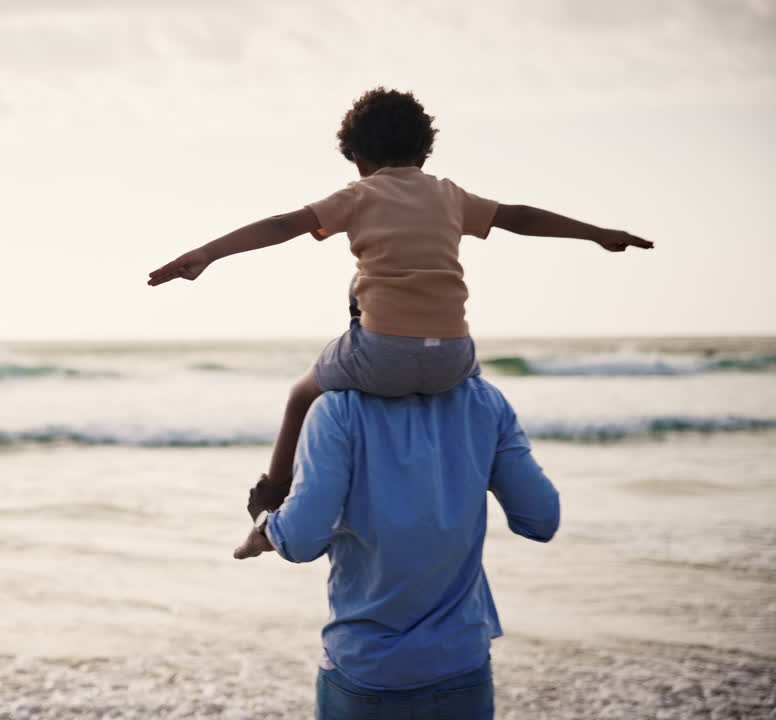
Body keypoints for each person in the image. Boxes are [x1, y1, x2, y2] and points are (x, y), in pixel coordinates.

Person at [145, 87, 650, 559]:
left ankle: (268, 512)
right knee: (477, 400)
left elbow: (283, 226)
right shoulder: (450, 195)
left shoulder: (358, 196)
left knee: (302, 393)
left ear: (357, 159)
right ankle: (494, 476)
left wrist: (207, 253)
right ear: (425, 154)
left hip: (380, 355)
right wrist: (597, 233)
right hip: (455, 357)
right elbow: (520, 216)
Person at [253, 375, 559, 719]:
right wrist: (472, 469)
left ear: (359, 319)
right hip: (460, 661)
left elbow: (300, 540)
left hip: (364, 665)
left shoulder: (336, 409)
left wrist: (266, 528)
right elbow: (541, 518)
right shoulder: (484, 402)